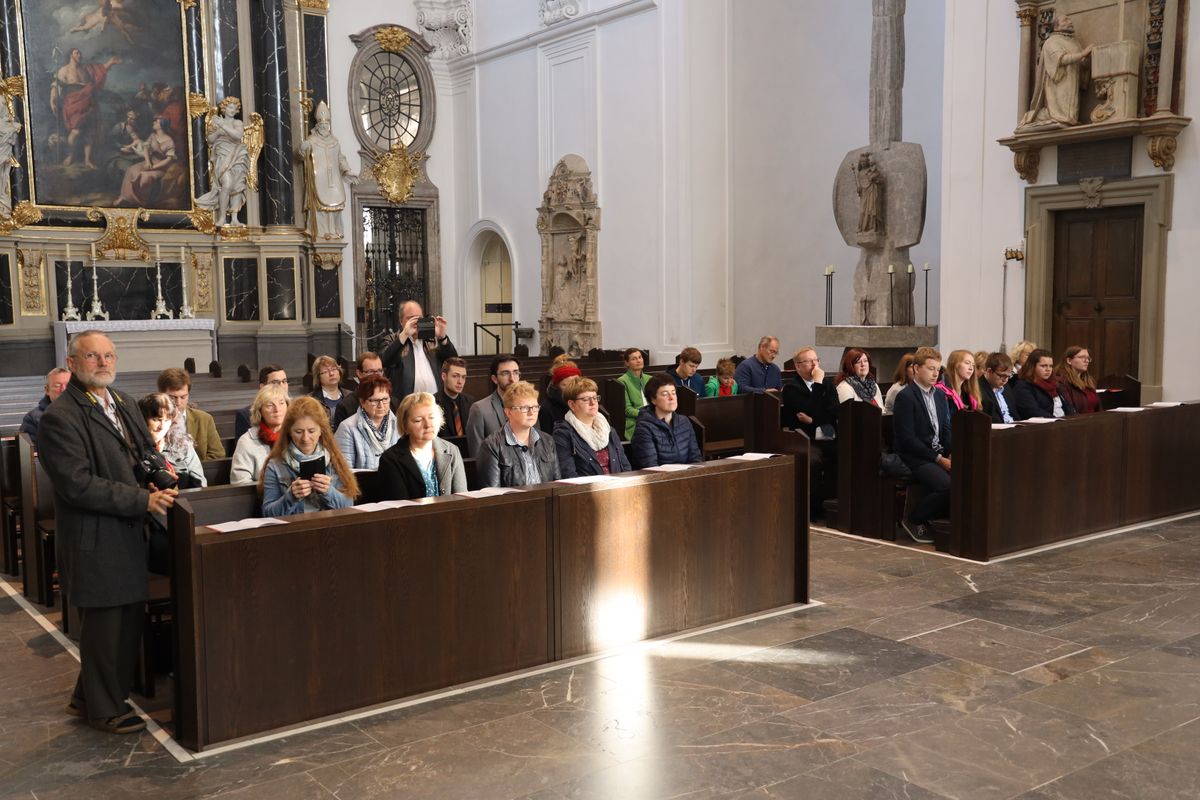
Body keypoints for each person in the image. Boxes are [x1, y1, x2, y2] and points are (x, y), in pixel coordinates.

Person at [38, 331, 177, 735]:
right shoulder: (60, 417)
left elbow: (143, 454)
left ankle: (87, 696)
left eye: (109, 356)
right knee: (105, 624)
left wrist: (161, 477)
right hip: (94, 535)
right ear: (73, 363)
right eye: (93, 356)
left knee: (126, 617)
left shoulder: (123, 401)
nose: (103, 363)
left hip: (129, 530)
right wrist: (141, 501)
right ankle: (105, 709)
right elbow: (76, 484)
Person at [892, 347, 952, 544]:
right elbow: (907, 439)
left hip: (938, 453)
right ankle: (913, 518)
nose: (935, 374)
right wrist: (938, 459)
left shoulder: (940, 396)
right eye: (930, 368)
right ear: (916, 369)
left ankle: (945, 522)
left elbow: (945, 430)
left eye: (938, 369)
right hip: (914, 455)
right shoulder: (906, 397)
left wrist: (950, 452)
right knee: (946, 486)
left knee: (969, 478)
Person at [260, 396, 358, 516]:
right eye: (298, 432)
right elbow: (268, 513)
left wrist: (328, 491)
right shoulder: (275, 466)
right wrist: (291, 497)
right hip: (294, 530)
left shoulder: (335, 460)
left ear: (321, 431)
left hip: (329, 529)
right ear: (289, 432)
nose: (305, 439)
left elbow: (349, 505)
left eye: (311, 431)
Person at [376, 392, 468, 500]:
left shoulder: (452, 450)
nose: (428, 425)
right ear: (405, 426)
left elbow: (461, 499)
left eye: (432, 417)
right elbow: (399, 508)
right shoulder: (391, 459)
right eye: (418, 420)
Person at [477, 381, 561, 487]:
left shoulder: (547, 440)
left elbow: (557, 484)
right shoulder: (492, 445)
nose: (531, 413)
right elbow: (492, 494)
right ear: (508, 412)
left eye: (535, 407)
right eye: (524, 408)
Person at [50, 48, 121, 169]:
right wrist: (52, 100)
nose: (80, 55)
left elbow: (99, 72)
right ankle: (70, 156)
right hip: (73, 103)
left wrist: (110, 62)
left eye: (80, 53)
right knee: (75, 132)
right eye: (77, 52)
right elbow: (55, 86)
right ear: (71, 55)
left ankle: (87, 160)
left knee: (89, 132)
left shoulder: (86, 69)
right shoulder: (64, 70)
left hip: (88, 103)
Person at [299, 100, 359, 240]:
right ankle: (319, 231)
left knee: (335, 204)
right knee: (319, 204)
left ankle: (333, 230)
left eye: (327, 124)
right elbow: (302, 156)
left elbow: (340, 158)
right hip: (318, 178)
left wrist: (347, 171)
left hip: (333, 179)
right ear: (318, 125)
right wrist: (303, 148)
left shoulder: (334, 141)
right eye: (322, 124)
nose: (325, 126)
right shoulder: (312, 140)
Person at [1020, 15, 1093, 128]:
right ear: (1056, 27)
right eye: (1066, 20)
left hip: (1072, 83)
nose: (1070, 22)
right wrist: (1082, 54)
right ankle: (1031, 117)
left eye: (1070, 20)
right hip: (1059, 83)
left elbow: (1081, 63)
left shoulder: (1075, 43)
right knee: (1060, 116)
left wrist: (1086, 60)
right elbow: (1061, 59)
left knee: (1070, 117)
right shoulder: (1052, 41)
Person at [553, 376, 631, 477]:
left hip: (617, 487)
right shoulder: (563, 434)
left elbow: (625, 466)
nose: (593, 403)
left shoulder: (608, 429)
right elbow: (568, 474)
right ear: (572, 404)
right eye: (585, 399)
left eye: (595, 398)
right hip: (587, 490)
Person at [381, 299, 457, 400]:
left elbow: (453, 363)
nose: (416, 322)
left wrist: (442, 338)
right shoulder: (392, 339)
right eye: (410, 318)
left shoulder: (432, 341)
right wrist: (405, 334)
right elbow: (385, 360)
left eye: (419, 318)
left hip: (435, 403)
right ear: (401, 321)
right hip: (406, 403)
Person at [194, 96, 253, 227]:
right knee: (227, 183)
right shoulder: (216, 122)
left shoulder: (237, 123)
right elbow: (210, 140)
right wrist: (219, 130)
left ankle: (234, 218)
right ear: (224, 108)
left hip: (237, 154)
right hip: (222, 155)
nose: (232, 110)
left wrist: (223, 127)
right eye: (229, 107)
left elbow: (238, 135)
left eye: (235, 108)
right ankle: (222, 217)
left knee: (237, 185)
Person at [630, 373, 703, 468]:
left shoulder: (684, 422)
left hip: (686, 478)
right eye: (665, 394)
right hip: (660, 480)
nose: (671, 398)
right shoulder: (644, 428)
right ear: (653, 399)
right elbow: (650, 467)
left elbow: (696, 458)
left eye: (673, 393)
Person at [137, 393, 205, 488]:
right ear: (143, 420)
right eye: (156, 420)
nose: (162, 427)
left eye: (167, 420)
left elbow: (200, 484)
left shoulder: (182, 445)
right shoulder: (133, 448)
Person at [157, 368, 225, 460]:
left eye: (183, 397)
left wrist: (193, 469)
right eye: (172, 397)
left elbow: (218, 454)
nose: (178, 402)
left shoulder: (204, 419)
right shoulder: (152, 420)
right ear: (161, 395)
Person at [334, 374, 399, 470]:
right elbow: (345, 472)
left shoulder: (398, 424)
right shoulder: (347, 428)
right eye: (374, 400)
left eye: (385, 399)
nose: (381, 405)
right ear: (362, 402)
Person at [116, 117, 181, 207]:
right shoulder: (152, 136)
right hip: (150, 161)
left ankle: (140, 201)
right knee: (131, 169)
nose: (154, 123)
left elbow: (168, 160)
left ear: (162, 125)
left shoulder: (170, 141)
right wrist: (147, 162)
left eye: (156, 122)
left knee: (145, 177)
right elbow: (146, 148)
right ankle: (123, 196)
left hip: (161, 166)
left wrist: (153, 167)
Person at [230, 385, 289, 484]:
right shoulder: (247, 441)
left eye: (281, 403)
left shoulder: (296, 435)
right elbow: (240, 483)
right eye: (270, 405)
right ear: (260, 410)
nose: (277, 409)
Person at [465, 354, 522, 456]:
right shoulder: (479, 409)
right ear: (494, 379)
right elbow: (477, 455)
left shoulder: (529, 407)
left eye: (516, 373)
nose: (512, 379)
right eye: (505, 373)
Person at [782, 347, 838, 438]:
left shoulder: (827, 384)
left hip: (830, 435)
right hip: (805, 439)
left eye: (816, 360)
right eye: (809, 361)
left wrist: (812, 421)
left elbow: (835, 412)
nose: (814, 364)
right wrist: (818, 383)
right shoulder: (790, 388)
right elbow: (810, 410)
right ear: (798, 366)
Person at [331, 351, 396, 429]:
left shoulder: (393, 402)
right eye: (370, 371)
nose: (376, 375)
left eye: (379, 371)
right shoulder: (345, 407)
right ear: (359, 373)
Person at [1012, 348, 1076, 419]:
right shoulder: (1023, 386)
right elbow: (1032, 412)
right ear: (1032, 366)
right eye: (1043, 366)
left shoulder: (1054, 384)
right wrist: (1058, 421)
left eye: (1050, 366)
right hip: (1044, 426)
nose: (1048, 369)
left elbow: (1067, 407)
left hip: (1062, 423)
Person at [234, 364, 288, 439]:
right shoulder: (246, 415)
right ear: (262, 386)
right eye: (275, 382)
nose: (282, 386)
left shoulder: (294, 410)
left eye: (284, 381)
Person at [19, 367, 71, 439]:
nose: (63, 389)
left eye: (68, 385)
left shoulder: (84, 413)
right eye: (57, 386)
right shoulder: (32, 419)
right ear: (47, 390)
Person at [435, 356, 474, 437]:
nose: (460, 382)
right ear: (444, 376)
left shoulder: (471, 402)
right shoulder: (433, 403)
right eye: (455, 376)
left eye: (463, 377)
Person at [616, 347, 650, 440]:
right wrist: (647, 414)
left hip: (653, 419)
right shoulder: (622, 381)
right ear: (627, 363)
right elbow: (628, 409)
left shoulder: (649, 379)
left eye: (640, 357)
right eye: (634, 359)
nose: (638, 361)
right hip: (635, 422)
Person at [1055, 346, 1101, 414]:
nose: (1087, 361)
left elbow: (1098, 407)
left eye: (1088, 358)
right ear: (1069, 360)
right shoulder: (1062, 381)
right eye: (1082, 357)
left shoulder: (1088, 381)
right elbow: (1069, 410)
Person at [539, 361, 579, 434]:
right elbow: (548, 439)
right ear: (556, 386)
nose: (572, 388)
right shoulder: (547, 408)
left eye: (575, 384)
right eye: (565, 385)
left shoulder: (583, 400)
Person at [980, 352, 1019, 424]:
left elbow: (1014, 414)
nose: (1005, 380)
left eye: (1008, 376)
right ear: (989, 371)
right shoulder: (979, 389)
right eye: (1002, 376)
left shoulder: (1006, 388)